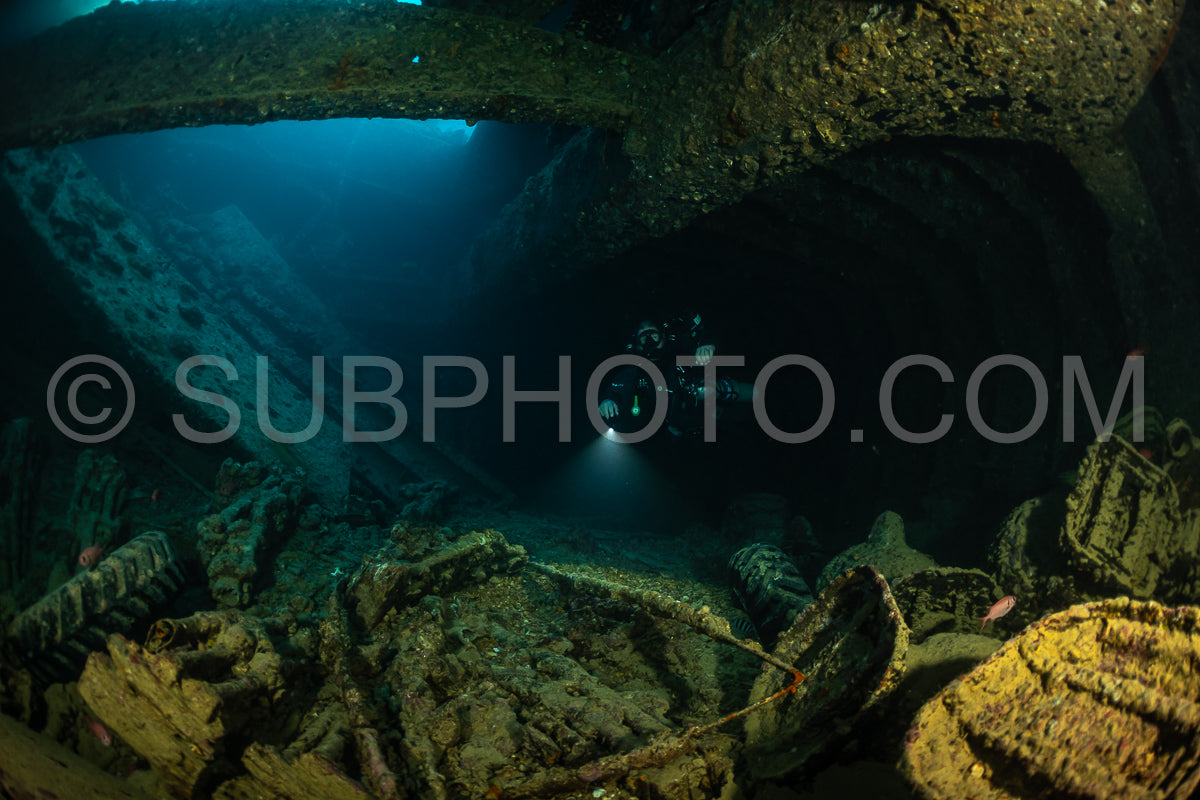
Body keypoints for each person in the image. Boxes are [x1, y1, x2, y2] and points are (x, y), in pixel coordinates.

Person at [597, 312, 754, 437]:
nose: (649, 338)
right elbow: (619, 384)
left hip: (722, 417)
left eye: (653, 332)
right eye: (643, 335)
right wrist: (608, 399)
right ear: (637, 343)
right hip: (681, 434)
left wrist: (708, 345)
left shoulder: (681, 350)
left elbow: (711, 335)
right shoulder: (637, 370)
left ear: (663, 335)